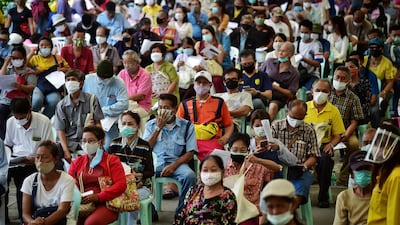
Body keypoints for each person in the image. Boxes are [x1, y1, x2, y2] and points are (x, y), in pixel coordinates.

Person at [143, 93, 197, 214]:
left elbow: (190, 153)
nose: (162, 111)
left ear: (175, 109)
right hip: (156, 162)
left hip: (177, 162)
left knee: (190, 176)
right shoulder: (151, 125)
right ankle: (150, 211)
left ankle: (182, 211)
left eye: (166, 108)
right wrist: (158, 128)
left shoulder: (187, 126)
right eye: (160, 107)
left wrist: (174, 165)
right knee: (138, 175)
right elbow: (145, 149)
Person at [4, 97, 53, 221]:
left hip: (35, 162)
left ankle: (24, 218)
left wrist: (36, 159)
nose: (20, 121)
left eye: (22, 118)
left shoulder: (43, 121)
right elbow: (8, 144)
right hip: (15, 160)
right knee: (2, 182)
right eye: (17, 118)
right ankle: (4, 219)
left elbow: (49, 147)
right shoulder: (11, 122)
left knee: (24, 187)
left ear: (30, 111)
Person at [271, 99, 320, 210]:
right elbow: (270, 150)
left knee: (300, 188)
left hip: (300, 169)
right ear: (287, 111)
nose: (296, 121)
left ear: (305, 116)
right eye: (293, 117)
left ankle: (288, 213)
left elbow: (314, 156)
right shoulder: (276, 126)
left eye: (300, 118)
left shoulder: (309, 130)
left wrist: (305, 166)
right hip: (279, 168)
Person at [304, 79, 345, 208]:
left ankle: (323, 196)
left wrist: (331, 145)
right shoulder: (304, 107)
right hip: (305, 145)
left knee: (326, 160)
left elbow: (338, 135)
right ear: (312, 91)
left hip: (323, 145)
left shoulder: (333, 111)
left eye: (324, 91)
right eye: (318, 90)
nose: (320, 93)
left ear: (330, 93)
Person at [224, 132, 282, 224]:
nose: (238, 153)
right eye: (235, 149)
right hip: (227, 212)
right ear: (229, 149)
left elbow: (277, 168)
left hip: (249, 214)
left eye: (242, 150)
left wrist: (258, 160)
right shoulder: (223, 166)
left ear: (248, 150)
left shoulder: (256, 165)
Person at [109, 111, 154, 225]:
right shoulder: (114, 144)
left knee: (131, 196)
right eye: (123, 123)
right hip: (118, 185)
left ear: (137, 126)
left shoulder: (144, 146)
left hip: (140, 186)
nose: (126, 127)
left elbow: (150, 171)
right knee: (115, 196)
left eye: (130, 124)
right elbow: (108, 168)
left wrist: (140, 176)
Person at [177, 71, 234, 160]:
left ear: (210, 85)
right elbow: (178, 126)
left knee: (217, 161)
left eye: (204, 83)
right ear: (194, 84)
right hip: (190, 142)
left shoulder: (219, 102)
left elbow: (229, 124)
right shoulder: (185, 104)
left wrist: (225, 137)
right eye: (198, 82)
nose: (201, 85)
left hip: (213, 141)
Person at [54, 69, 104, 162]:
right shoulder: (61, 105)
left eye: (73, 79)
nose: (69, 82)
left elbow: (98, 123)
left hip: (87, 140)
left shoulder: (92, 100)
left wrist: (100, 142)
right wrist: (66, 151)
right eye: (67, 80)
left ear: (81, 84)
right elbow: (60, 130)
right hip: (68, 142)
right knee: (54, 153)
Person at [21, 141, 74, 225]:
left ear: (56, 159)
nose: (40, 161)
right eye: (37, 157)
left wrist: (43, 223)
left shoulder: (67, 180)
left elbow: (62, 211)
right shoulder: (29, 181)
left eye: (45, 157)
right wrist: (32, 222)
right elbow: (25, 214)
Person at [174, 155, 237, 224]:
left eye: (213, 170)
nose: (209, 174)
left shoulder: (228, 198)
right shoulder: (193, 191)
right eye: (205, 170)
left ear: (222, 172)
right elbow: (182, 215)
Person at [82, 60, 129, 150]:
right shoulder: (87, 80)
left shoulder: (119, 83)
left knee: (108, 147)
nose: (105, 80)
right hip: (90, 120)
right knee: (88, 146)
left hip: (109, 122)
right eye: (102, 78)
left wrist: (104, 110)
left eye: (107, 78)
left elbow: (124, 104)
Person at [329, 66, 364, 186]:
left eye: (343, 78)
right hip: (326, 130)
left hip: (345, 131)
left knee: (354, 145)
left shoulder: (353, 98)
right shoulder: (325, 93)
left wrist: (347, 134)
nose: (339, 80)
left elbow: (355, 121)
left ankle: (343, 178)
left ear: (348, 81)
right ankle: (317, 176)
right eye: (337, 77)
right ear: (333, 77)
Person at [365, 120, 400, 224]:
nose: (376, 148)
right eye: (376, 143)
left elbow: (394, 219)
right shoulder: (382, 172)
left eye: (382, 144)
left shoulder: (396, 177)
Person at [28, 36, 70, 118]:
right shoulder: (35, 58)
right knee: (37, 101)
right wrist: (31, 53)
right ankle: (31, 118)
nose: (44, 47)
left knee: (55, 101)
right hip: (40, 86)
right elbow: (24, 65)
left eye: (47, 45)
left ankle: (44, 119)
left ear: (51, 47)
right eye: (42, 45)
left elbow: (69, 69)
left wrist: (62, 69)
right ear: (38, 47)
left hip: (53, 88)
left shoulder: (57, 58)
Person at [0, 46, 36, 140]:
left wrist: (20, 86)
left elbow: (31, 88)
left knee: (15, 119)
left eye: (19, 58)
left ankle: (15, 140)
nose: (16, 60)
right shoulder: (8, 70)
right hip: (5, 101)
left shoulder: (29, 72)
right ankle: (4, 139)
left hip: (20, 102)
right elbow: (1, 78)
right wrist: (6, 63)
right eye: (14, 58)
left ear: (24, 58)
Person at [260, 41, 299, 120]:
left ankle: (267, 128)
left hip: (278, 98)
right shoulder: (269, 62)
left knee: (273, 106)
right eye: (279, 50)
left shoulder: (294, 73)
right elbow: (258, 75)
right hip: (263, 93)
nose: (280, 53)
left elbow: (291, 94)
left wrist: (276, 87)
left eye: (284, 51)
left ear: (291, 54)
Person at [333, 151, 373, 225]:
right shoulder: (344, 197)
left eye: (367, 169)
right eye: (359, 170)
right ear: (352, 174)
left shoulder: (380, 196)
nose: (363, 172)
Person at [118, 50, 152, 135]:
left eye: (129, 63)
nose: (126, 65)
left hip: (142, 106)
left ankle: (138, 141)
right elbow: (115, 89)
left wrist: (124, 99)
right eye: (124, 63)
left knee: (128, 116)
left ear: (137, 62)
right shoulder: (122, 73)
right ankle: (122, 140)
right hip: (126, 104)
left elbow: (141, 96)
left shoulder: (145, 74)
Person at [345, 58, 373, 125]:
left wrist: (354, 113)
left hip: (361, 114)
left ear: (358, 68)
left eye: (351, 67)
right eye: (346, 68)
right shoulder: (344, 84)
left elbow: (367, 103)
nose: (348, 69)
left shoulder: (365, 83)